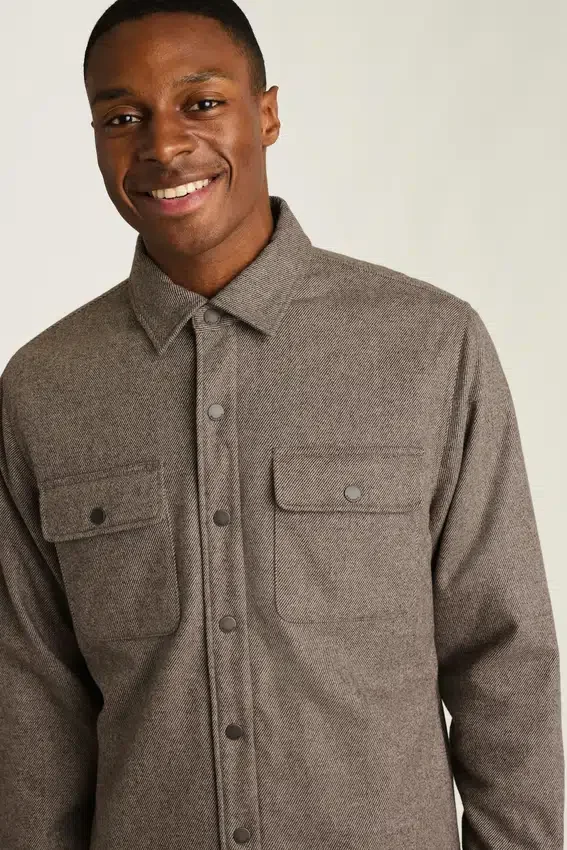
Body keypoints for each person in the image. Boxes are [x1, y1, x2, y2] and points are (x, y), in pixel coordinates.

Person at [0, 0, 563, 848]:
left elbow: (504, 660)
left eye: (200, 103)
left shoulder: (428, 344)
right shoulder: (43, 388)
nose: (162, 145)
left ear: (265, 114)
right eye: (122, 118)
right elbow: (32, 706)